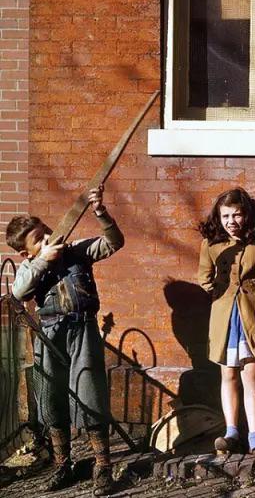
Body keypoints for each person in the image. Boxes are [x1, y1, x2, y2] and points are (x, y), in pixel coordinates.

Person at [6, 185, 123, 495]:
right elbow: (18, 292)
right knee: (52, 400)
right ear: (26, 253)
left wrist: (100, 212)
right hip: (50, 336)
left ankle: (103, 467)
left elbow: (114, 242)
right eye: (39, 239)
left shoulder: (76, 250)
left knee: (90, 394)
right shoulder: (29, 267)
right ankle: (63, 466)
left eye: (47, 231)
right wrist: (43, 259)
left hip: (82, 330)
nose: (48, 238)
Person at [198, 187, 255, 457]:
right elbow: (204, 278)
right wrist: (222, 294)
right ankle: (231, 432)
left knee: (251, 374)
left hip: (251, 313)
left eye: (237, 215)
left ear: (246, 216)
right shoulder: (211, 244)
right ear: (219, 217)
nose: (231, 221)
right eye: (226, 216)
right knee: (227, 374)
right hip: (224, 315)